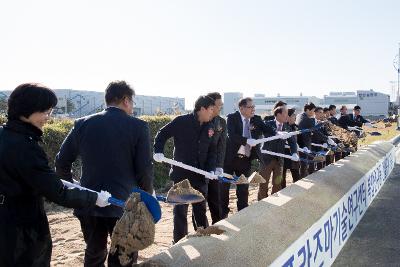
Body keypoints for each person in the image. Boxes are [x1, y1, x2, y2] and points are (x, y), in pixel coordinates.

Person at [0, 83, 111, 267]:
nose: (48, 118)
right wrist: (94, 197)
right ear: (28, 110)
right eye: (46, 112)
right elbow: (57, 193)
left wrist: (61, 182)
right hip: (22, 229)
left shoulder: (4, 135)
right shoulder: (26, 147)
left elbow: (30, 177)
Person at [56, 81, 154, 266]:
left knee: (94, 253)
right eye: (132, 102)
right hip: (126, 204)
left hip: (90, 200)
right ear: (125, 100)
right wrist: (148, 195)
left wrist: (74, 186)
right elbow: (144, 169)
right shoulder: (138, 126)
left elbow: (61, 162)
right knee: (123, 256)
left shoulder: (82, 124)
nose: (132, 107)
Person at [153, 95, 216, 243]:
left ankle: (203, 238)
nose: (213, 113)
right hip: (181, 175)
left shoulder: (210, 125)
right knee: (180, 211)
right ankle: (179, 242)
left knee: (200, 208)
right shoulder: (181, 122)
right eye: (211, 109)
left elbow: (212, 150)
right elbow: (161, 135)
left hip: (200, 175)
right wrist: (158, 151)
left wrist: (211, 169)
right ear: (202, 109)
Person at [222, 97, 276, 218]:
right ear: (241, 108)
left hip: (245, 159)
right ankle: (223, 215)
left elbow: (266, 128)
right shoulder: (232, 118)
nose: (253, 109)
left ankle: (243, 214)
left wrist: (278, 134)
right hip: (230, 159)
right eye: (250, 107)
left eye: (253, 107)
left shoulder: (256, 119)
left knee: (243, 188)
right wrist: (246, 140)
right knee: (224, 189)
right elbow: (231, 135)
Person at [258, 106, 298, 199]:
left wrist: (294, 153)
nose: (287, 116)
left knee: (277, 184)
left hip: (279, 160)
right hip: (266, 159)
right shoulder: (268, 124)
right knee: (263, 183)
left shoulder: (287, 126)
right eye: (285, 114)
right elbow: (266, 133)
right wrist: (277, 133)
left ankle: (275, 202)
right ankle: (261, 204)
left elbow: (292, 142)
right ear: (278, 114)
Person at [206, 92, 226, 224]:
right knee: (200, 201)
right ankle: (200, 228)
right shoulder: (202, 119)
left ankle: (218, 225)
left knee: (215, 198)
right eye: (219, 105)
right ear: (211, 106)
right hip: (199, 166)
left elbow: (221, 145)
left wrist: (219, 165)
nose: (221, 108)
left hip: (214, 166)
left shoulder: (221, 122)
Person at [282, 108, 301, 188]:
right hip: (284, 154)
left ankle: (297, 190)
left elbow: (299, 140)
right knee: (281, 176)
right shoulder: (283, 126)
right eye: (293, 115)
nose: (295, 117)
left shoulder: (296, 127)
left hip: (294, 154)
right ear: (288, 116)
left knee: (296, 174)